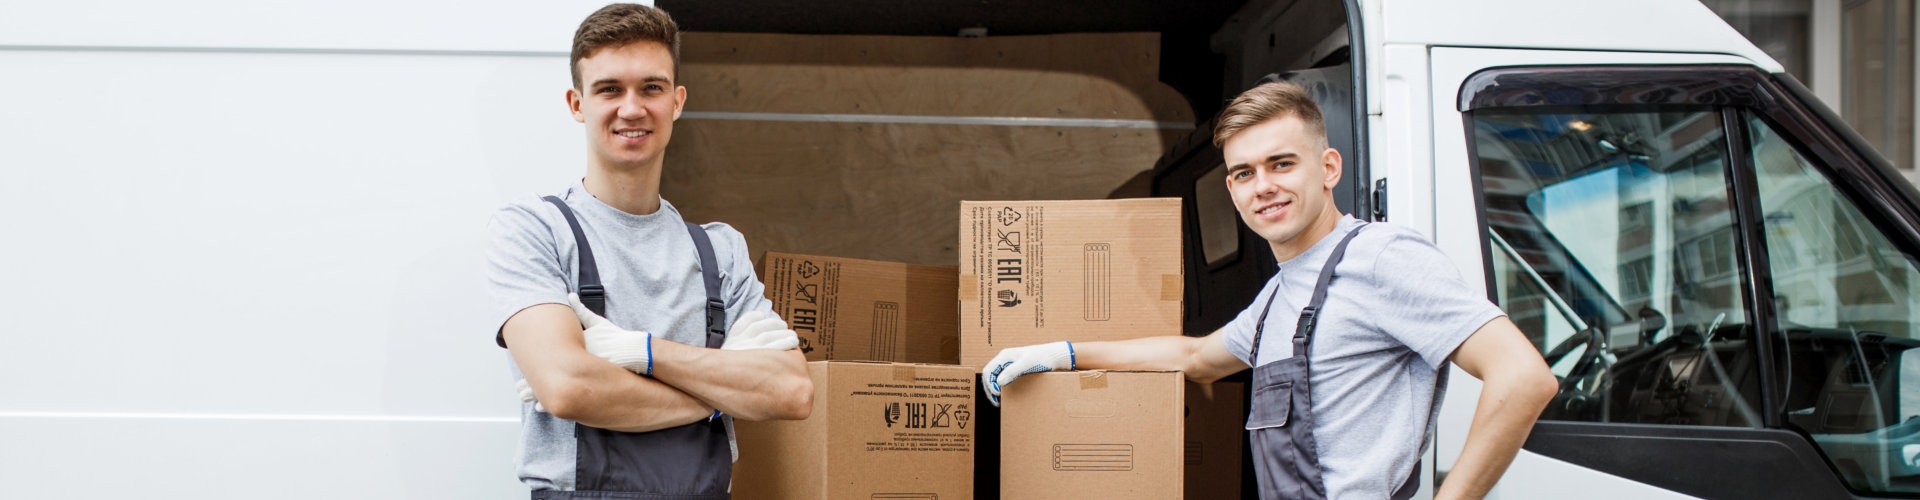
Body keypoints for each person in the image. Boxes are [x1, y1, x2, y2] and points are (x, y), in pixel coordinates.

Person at [980, 81, 1557, 500]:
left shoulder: (1381, 258)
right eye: (1244, 172)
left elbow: (1523, 378)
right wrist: (1063, 354)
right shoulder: (1282, 295)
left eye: (1282, 163)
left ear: (1328, 167)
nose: (1264, 187)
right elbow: (1197, 358)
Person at [485, 4, 812, 498]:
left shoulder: (720, 250)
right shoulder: (536, 229)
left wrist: (639, 352)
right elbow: (568, 386)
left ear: (677, 101)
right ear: (577, 104)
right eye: (610, 89)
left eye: (651, 88)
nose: (632, 108)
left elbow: (791, 391)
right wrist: (721, 395)